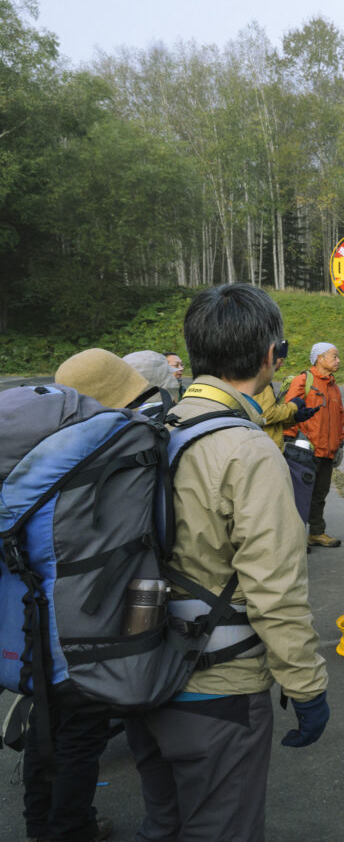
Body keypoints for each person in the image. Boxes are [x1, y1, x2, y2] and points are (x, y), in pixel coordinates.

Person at [125, 284, 329, 842]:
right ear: (272, 356)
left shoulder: (153, 429)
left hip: (140, 673)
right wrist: (306, 687)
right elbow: (275, 589)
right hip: (218, 690)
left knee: (162, 824)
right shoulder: (248, 450)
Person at [24, 348, 154, 842]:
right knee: (79, 739)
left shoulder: (39, 457)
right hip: (79, 629)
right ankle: (69, 830)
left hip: (32, 622)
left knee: (46, 734)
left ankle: (43, 828)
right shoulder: (94, 462)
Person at [284, 342, 344, 548]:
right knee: (299, 495)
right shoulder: (304, 381)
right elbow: (289, 412)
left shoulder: (333, 386)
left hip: (327, 452)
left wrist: (340, 443)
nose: (338, 360)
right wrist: (289, 444)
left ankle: (317, 533)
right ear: (320, 358)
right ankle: (295, 538)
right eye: (334, 356)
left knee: (320, 494)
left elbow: (340, 417)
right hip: (305, 452)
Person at [250, 339, 319, 450]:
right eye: (280, 360)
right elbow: (266, 415)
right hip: (265, 449)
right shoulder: (260, 383)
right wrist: (293, 406)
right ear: (270, 357)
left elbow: (271, 424)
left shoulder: (258, 380)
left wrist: (295, 418)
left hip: (269, 447)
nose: (282, 364)